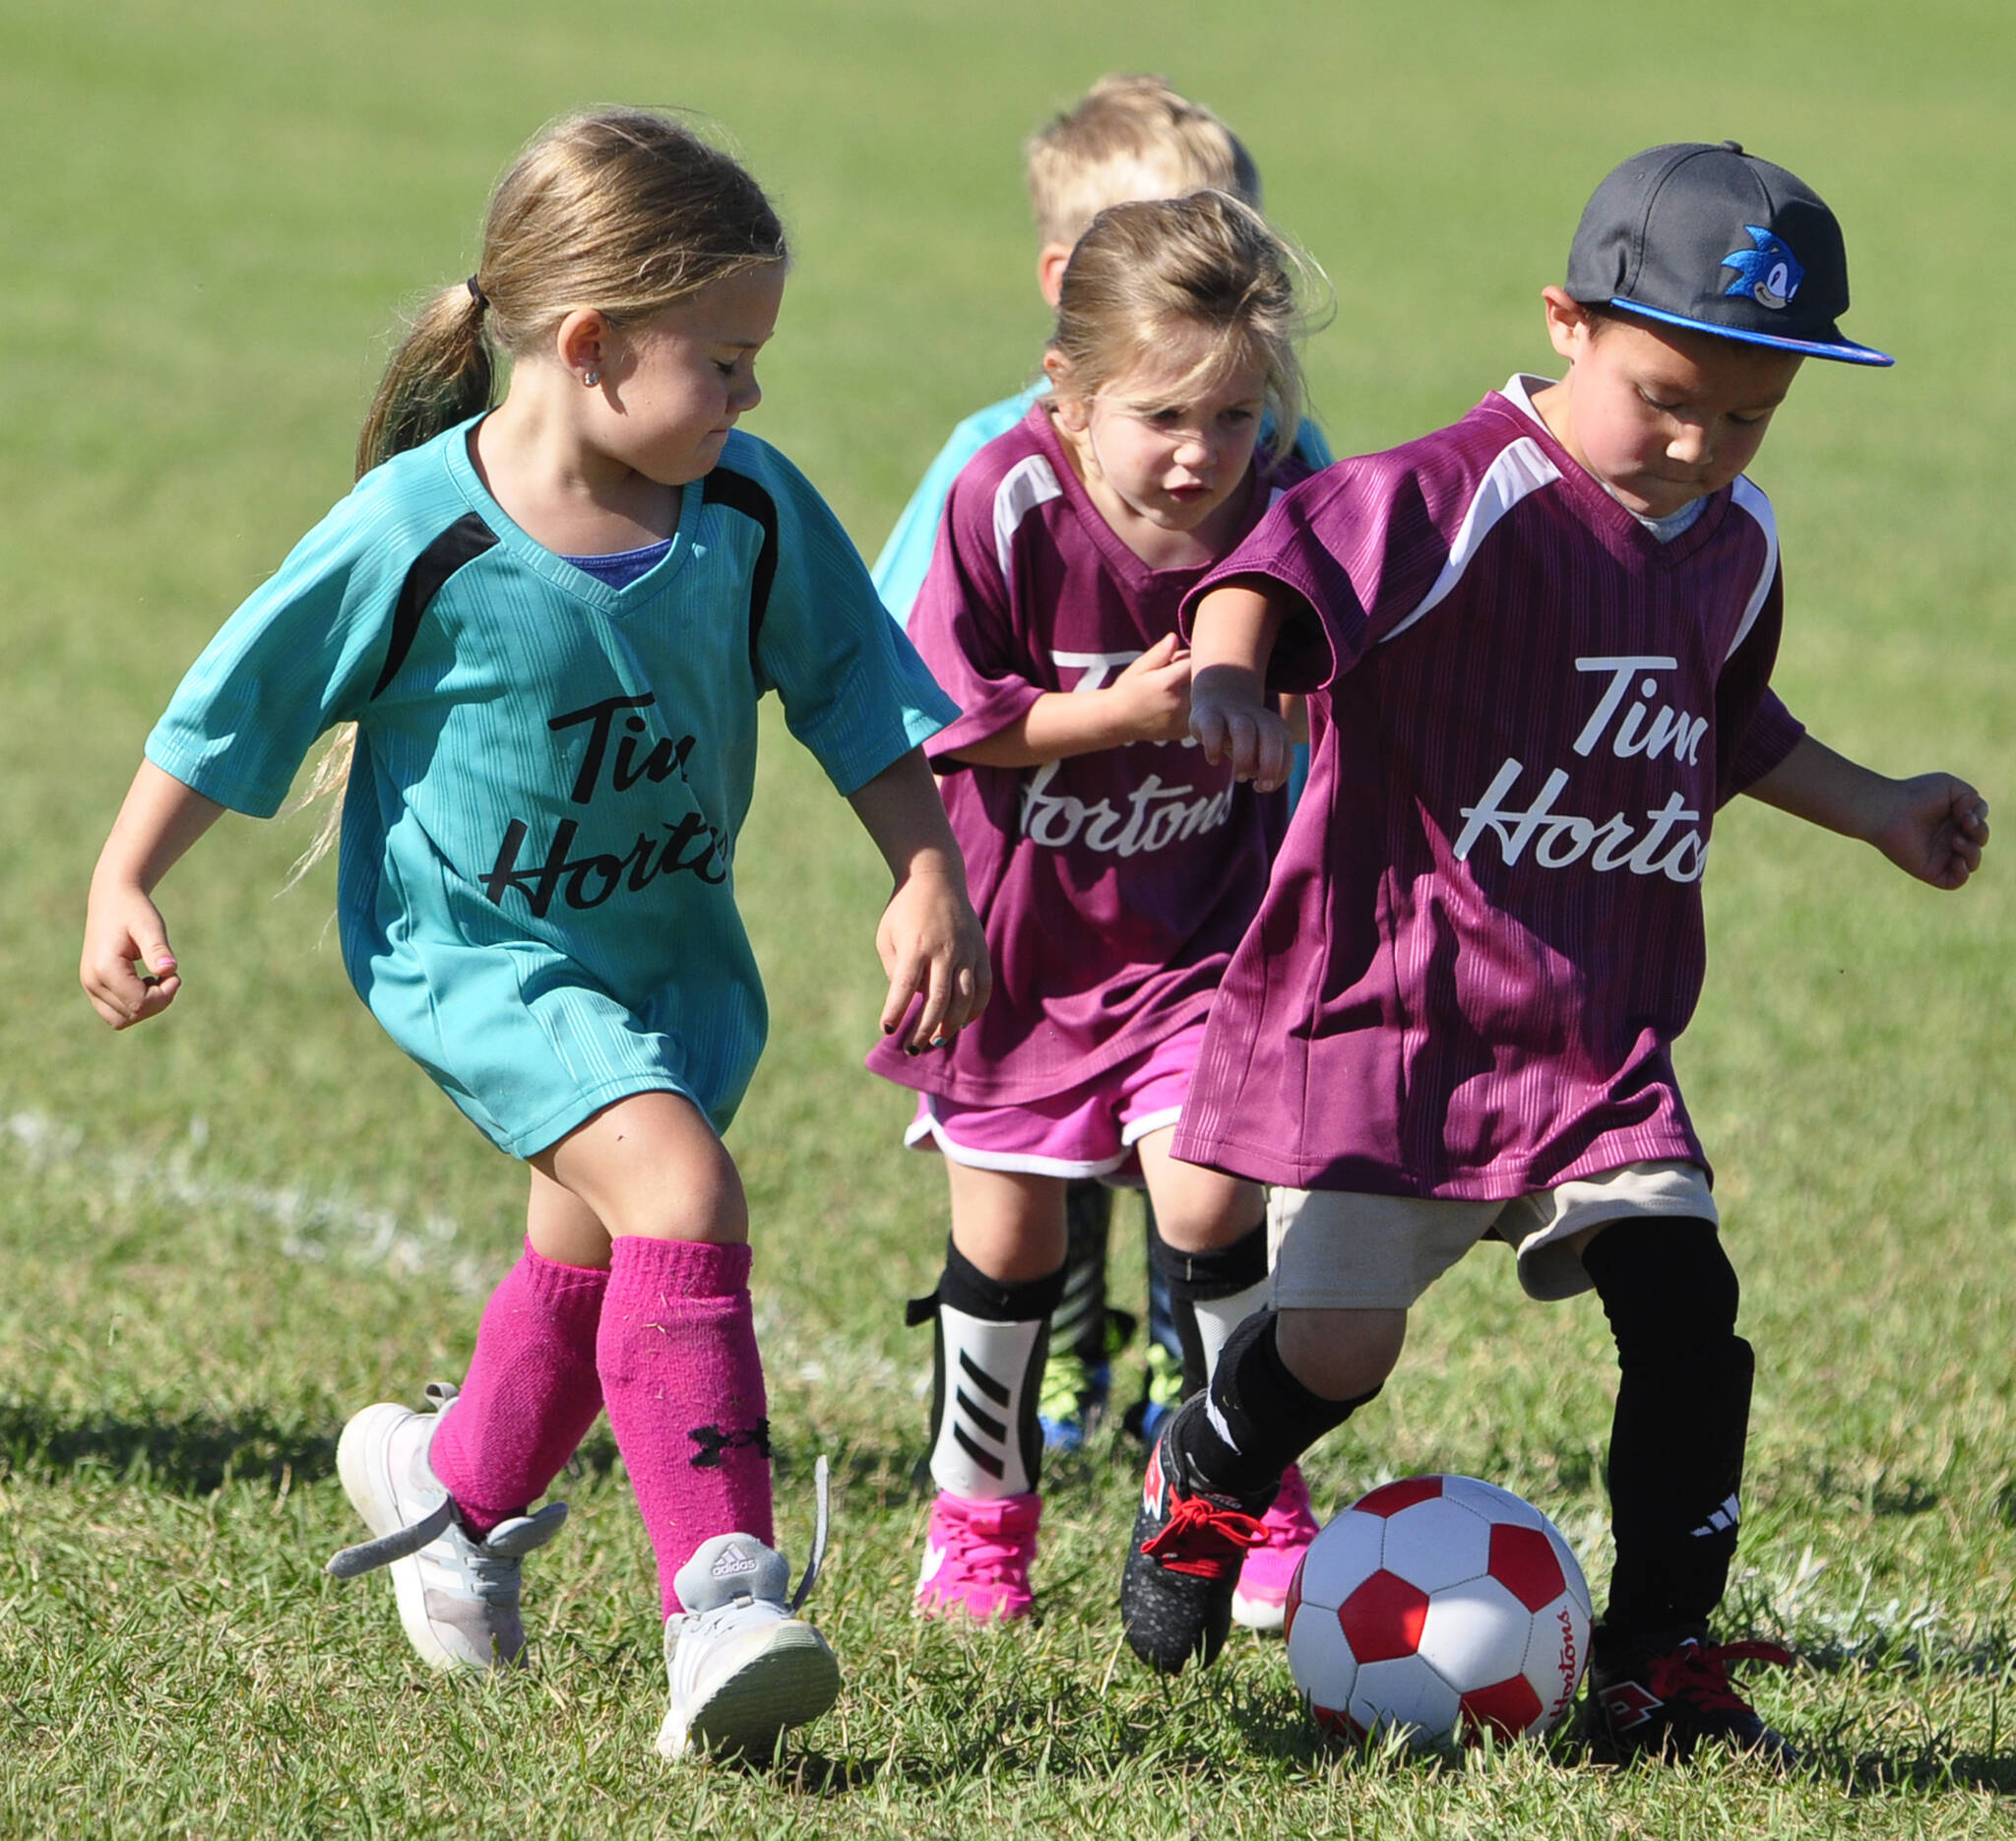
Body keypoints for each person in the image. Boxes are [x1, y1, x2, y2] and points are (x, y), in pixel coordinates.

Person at [79, 108, 988, 1761]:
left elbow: (857, 693)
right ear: (588, 346)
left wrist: (923, 867)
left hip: (664, 951)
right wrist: (126, 874)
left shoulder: (749, 513)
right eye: (724, 359)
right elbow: (239, 704)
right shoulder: (416, 531)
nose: (751, 396)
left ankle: (454, 1501)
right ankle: (721, 1597)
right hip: (475, 952)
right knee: (681, 1193)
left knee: (587, 1272)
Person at [1117, 142, 1989, 1764]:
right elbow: (1270, 564)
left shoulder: (1737, 538)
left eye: (1747, 417)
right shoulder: (1450, 492)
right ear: (1567, 321)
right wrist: (1234, 672)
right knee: (1336, 1349)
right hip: (1404, 1020)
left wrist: (1876, 807)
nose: (1700, 443)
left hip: (1598, 1034)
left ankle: (1660, 1658)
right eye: (1666, 394)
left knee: (1687, 1308)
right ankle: (1215, 1464)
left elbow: (1726, 722)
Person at [874, 72, 1333, 1493]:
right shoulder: (995, 487)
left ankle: (1229, 1477)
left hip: (1203, 926)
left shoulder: (1283, 470)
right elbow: (917, 706)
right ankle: (988, 1492)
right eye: (1166, 415)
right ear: (1071, 332)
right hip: (1027, 937)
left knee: (1207, 1188)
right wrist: (1117, 711)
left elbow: (1336, 627)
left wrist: (1279, 712)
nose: (1204, 450)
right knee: (1014, 1230)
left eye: (1238, 414)